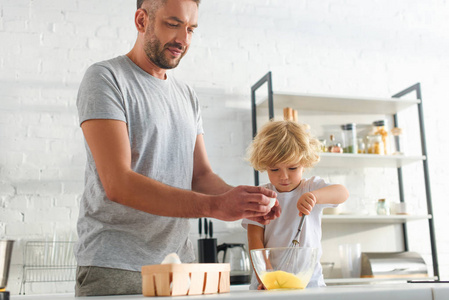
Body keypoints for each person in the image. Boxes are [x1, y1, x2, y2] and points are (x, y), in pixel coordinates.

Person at [74, 0, 280, 296]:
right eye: (173, 24)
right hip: (117, 266)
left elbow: (201, 175)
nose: (183, 40)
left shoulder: (186, 95)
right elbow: (118, 183)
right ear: (142, 20)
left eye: (191, 29)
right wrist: (216, 207)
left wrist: (246, 203)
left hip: (180, 266)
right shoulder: (106, 78)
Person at [242, 120, 349, 290]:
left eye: (292, 168)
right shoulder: (260, 196)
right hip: (269, 283)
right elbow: (255, 240)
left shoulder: (311, 187)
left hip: (310, 283)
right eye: (274, 170)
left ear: (304, 163)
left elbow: (342, 193)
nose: (284, 176)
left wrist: (315, 196)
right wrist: (266, 274)